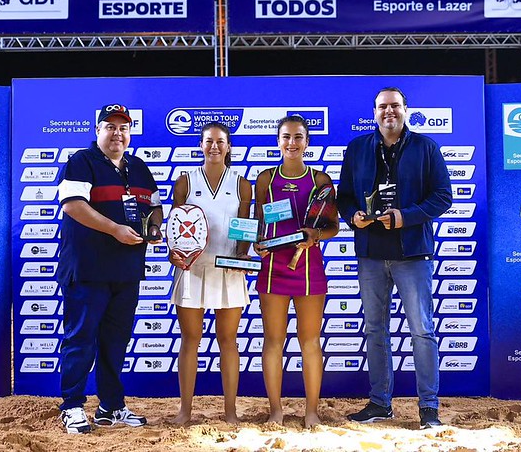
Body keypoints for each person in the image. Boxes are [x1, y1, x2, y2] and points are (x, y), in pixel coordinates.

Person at [337, 87, 452, 430]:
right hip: (371, 253)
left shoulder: (426, 147)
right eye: (383, 107)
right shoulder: (357, 148)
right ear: (374, 112)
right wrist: (352, 216)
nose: (389, 111)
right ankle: (379, 403)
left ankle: (429, 408)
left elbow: (443, 197)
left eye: (395, 106)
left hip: (411, 252)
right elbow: (344, 197)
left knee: (422, 331)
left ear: (406, 110)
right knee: (375, 330)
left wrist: (406, 216)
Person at [55, 103, 163, 434]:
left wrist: (154, 230)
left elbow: (155, 209)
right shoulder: (80, 161)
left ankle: (111, 406)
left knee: (116, 342)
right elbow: (73, 206)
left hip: (127, 271)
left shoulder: (140, 167)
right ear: (98, 130)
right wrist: (115, 229)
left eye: (123, 128)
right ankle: (72, 406)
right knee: (81, 340)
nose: (118, 133)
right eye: (110, 127)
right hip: (88, 269)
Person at [253, 115, 339, 428]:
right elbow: (258, 226)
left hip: (309, 268)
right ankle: (276, 411)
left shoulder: (321, 180)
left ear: (307, 142)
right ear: (278, 141)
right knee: (273, 341)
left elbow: (333, 226)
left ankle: (312, 412)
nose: (292, 143)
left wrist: (315, 236)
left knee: (310, 341)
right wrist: (256, 244)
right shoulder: (264, 179)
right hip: (274, 269)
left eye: (298, 137)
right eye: (286, 137)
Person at [168, 122, 252, 425]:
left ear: (228, 146)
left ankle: (230, 411)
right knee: (190, 339)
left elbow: (245, 229)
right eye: (208, 141)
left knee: (228, 341)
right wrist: (172, 253)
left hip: (229, 269)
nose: (214, 146)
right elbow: (175, 228)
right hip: (192, 270)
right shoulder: (185, 182)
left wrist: (243, 254)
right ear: (200, 145)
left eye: (220, 142)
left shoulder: (242, 183)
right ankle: (185, 410)